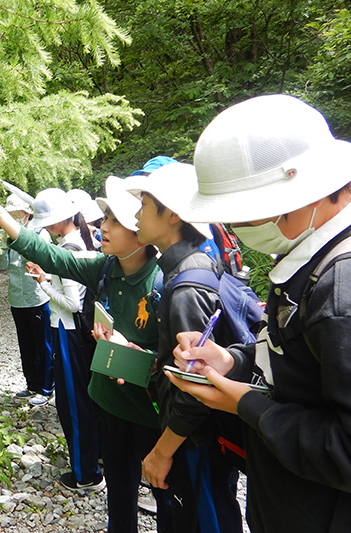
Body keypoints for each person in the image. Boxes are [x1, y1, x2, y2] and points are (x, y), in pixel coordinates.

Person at [166, 94, 351, 533]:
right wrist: (232, 360)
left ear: (300, 196)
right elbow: (302, 361)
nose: (237, 228)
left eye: (243, 213)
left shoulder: (344, 292)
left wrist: (248, 405)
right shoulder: (314, 251)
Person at [0, 178, 174, 532]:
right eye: (104, 219)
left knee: (166, 494)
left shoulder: (164, 283)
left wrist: (141, 356)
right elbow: (53, 256)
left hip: (146, 414)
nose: (101, 227)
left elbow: (173, 363)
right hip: (108, 402)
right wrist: (3, 218)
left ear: (140, 236)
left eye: (113, 222)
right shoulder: (103, 268)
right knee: (119, 489)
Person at [124, 163, 244, 533]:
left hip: (196, 442)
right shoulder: (186, 266)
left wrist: (162, 452)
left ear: (173, 213)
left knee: (203, 518)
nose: (136, 214)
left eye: (143, 204)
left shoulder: (186, 286)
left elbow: (197, 388)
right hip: (193, 438)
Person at [0, 194, 54, 401]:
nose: (12, 215)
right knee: (25, 343)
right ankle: (31, 385)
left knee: (43, 343)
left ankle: (46, 388)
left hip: (37, 297)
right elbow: (2, 266)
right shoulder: (6, 235)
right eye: (9, 212)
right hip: (16, 298)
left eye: (15, 211)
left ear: (27, 212)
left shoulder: (40, 233)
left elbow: (45, 262)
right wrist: (1, 244)